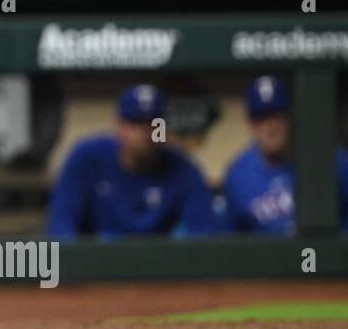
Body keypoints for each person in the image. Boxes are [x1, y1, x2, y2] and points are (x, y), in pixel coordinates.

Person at [47, 84, 219, 238]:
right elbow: (62, 223)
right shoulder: (87, 157)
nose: (145, 131)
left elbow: (205, 234)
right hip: (97, 264)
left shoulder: (183, 168)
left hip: (157, 264)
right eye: (135, 123)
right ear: (118, 127)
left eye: (154, 123)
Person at [222, 75, 348, 233]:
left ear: (291, 116)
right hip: (270, 258)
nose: (270, 127)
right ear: (250, 124)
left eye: (277, 115)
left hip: (324, 256)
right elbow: (232, 242)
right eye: (260, 118)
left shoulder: (329, 156)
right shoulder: (237, 175)